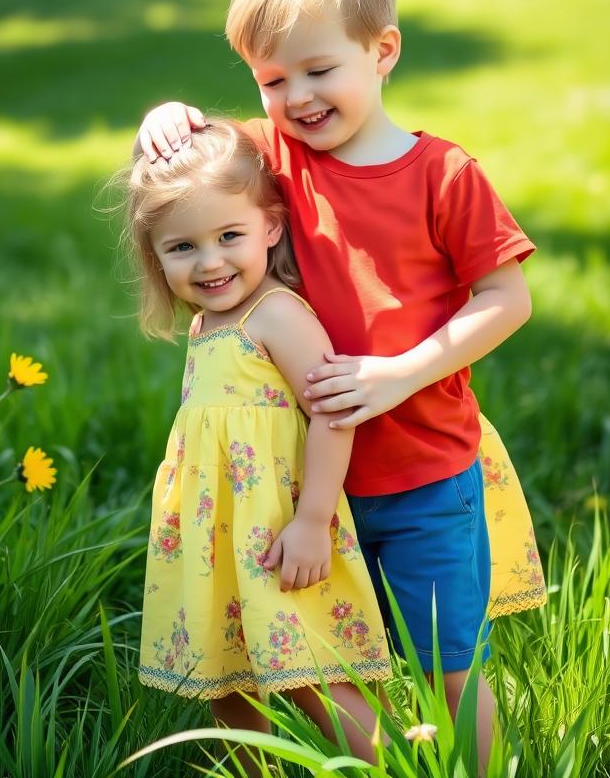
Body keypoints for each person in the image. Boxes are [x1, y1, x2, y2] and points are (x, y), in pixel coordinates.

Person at [135, 0, 547, 769]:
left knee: (445, 667)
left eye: (319, 71)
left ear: (383, 49)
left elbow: (508, 299)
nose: (299, 97)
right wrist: (163, 117)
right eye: (273, 80)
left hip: (424, 467)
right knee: (327, 659)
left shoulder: (443, 175)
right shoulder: (275, 158)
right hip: (306, 482)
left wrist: (403, 373)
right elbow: (203, 157)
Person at [118, 119, 390, 769]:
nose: (210, 262)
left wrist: (313, 520)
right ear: (154, 254)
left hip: (278, 534)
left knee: (309, 673)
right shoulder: (209, 325)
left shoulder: (275, 315)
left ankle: (392, 768)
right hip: (221, 540)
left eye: (229, 237)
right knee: (230, 675)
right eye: (182, 247)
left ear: (270, 225)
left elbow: (334, 414)